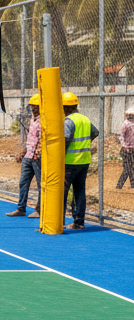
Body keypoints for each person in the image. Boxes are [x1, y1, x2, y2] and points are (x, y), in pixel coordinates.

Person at [62, 92, 98, 230]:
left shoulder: (68, 121)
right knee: (79, 191)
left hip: (70, 162)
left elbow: (65, 139)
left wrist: (60, 155)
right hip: (84, 160)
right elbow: (95, 132)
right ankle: (79, 222)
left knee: (62, 193)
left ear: (65, 107)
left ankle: (58, 221)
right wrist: (84, 145)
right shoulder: (85, 119)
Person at [8, 94, 41, 217]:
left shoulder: (44, 121)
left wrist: (39, 153)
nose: (32, 109)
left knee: (40, 185)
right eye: (31, 106)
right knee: (23, 182)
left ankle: (40, 210)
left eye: (35, 106)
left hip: (38, 158)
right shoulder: (33, 119)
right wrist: (23, 152)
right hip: (28, 156)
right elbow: (31, 138)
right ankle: (21, 208)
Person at [117, 108, 134, 188]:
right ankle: (119, 185)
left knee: (132, 167)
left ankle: (133, 184)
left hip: (132, 148)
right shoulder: (125, 124)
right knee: (127, 168)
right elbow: (121, 137)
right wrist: (124, 146)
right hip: (127, 149)